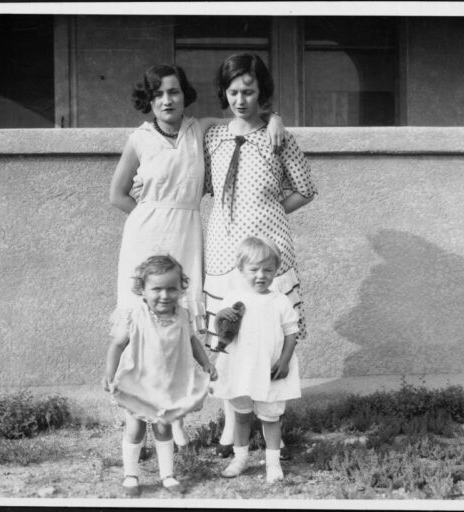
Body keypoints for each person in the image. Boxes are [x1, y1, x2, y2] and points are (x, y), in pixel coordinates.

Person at [108, 64, 285, 450]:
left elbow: (244, 115)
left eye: (173, 92)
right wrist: (150, 216)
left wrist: (276, 120)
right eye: (158, 95)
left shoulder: (200, 128)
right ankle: (143, 413)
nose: (167, 100)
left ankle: (178, 415)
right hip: (145, 238)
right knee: (145, 326)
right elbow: (118, 194)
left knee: (182, 324)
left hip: (187, 234)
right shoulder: (138, 139)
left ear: (183, 94)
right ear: (149, 101)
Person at [202, 52, 317, 458]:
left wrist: (267, 211)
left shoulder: (277, 135)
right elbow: (201, 183)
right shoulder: (212, 136)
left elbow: (305, 188)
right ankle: (233, 423)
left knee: (266, 333)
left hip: (269, 252)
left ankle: (272, 426)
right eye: (233, 91)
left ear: (261, 93)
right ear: (224, 93)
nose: (240, 99)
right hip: (222, 248)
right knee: (227, 335)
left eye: (249, 91)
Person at [103, 255, 218, 496]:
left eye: (171, 289)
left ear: (181, 288)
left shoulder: (183, 315)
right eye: (157, 289)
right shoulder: (135, 315)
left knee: (163, 429)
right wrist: (110, 375)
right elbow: (116, 346)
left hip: (166, 385)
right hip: (137, 383)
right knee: (135, 429)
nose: (164, 295)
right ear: (142, 290)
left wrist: (206, 363)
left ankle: (167, 474)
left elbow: (192, 342)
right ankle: (131, 475)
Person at [212, 237, 300, 483]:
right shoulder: (233, 298)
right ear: (241, 270)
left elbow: (292, 333)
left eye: (268, 270)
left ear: (276, 271)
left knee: (271, 417)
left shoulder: (280, 301)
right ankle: (240, 458)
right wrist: (220, 316)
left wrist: (284, 361)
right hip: (241, 367)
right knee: (241, 415)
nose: (261, 275)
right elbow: (221, 329)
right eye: (254, 270)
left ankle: (273, 464)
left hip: (269, 368)